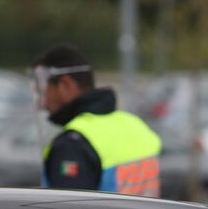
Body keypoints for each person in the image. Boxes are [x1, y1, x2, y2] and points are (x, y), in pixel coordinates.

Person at [32, 44, 162, 196]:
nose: (41, 104)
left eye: (42, 92)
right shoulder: (135, 125)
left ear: (65, 85)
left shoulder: (73, 145)